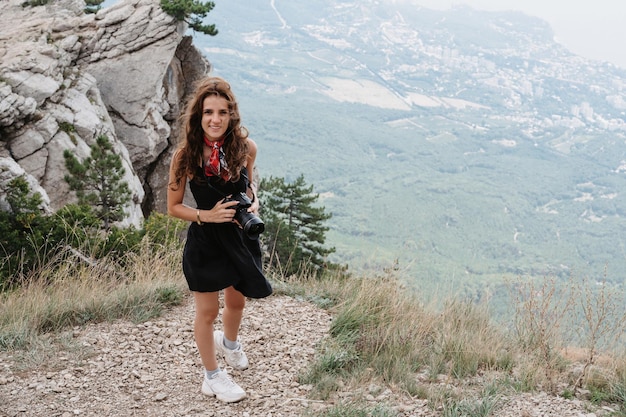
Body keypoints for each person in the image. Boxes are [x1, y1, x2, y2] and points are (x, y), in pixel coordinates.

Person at [167, 76, 273, 403]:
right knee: (207, 310)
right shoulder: (185, 156)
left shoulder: (246, 148)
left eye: (222, 112)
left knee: (238, 302)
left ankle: (229, 343)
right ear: (199, 116)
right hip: (206, 240)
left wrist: (251, 203)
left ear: (231, 115)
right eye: (209, 112)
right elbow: (173, 207)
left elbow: (248, 187)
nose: (215, 119)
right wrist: (206, 215)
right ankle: (211, 376)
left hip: (240, 237)